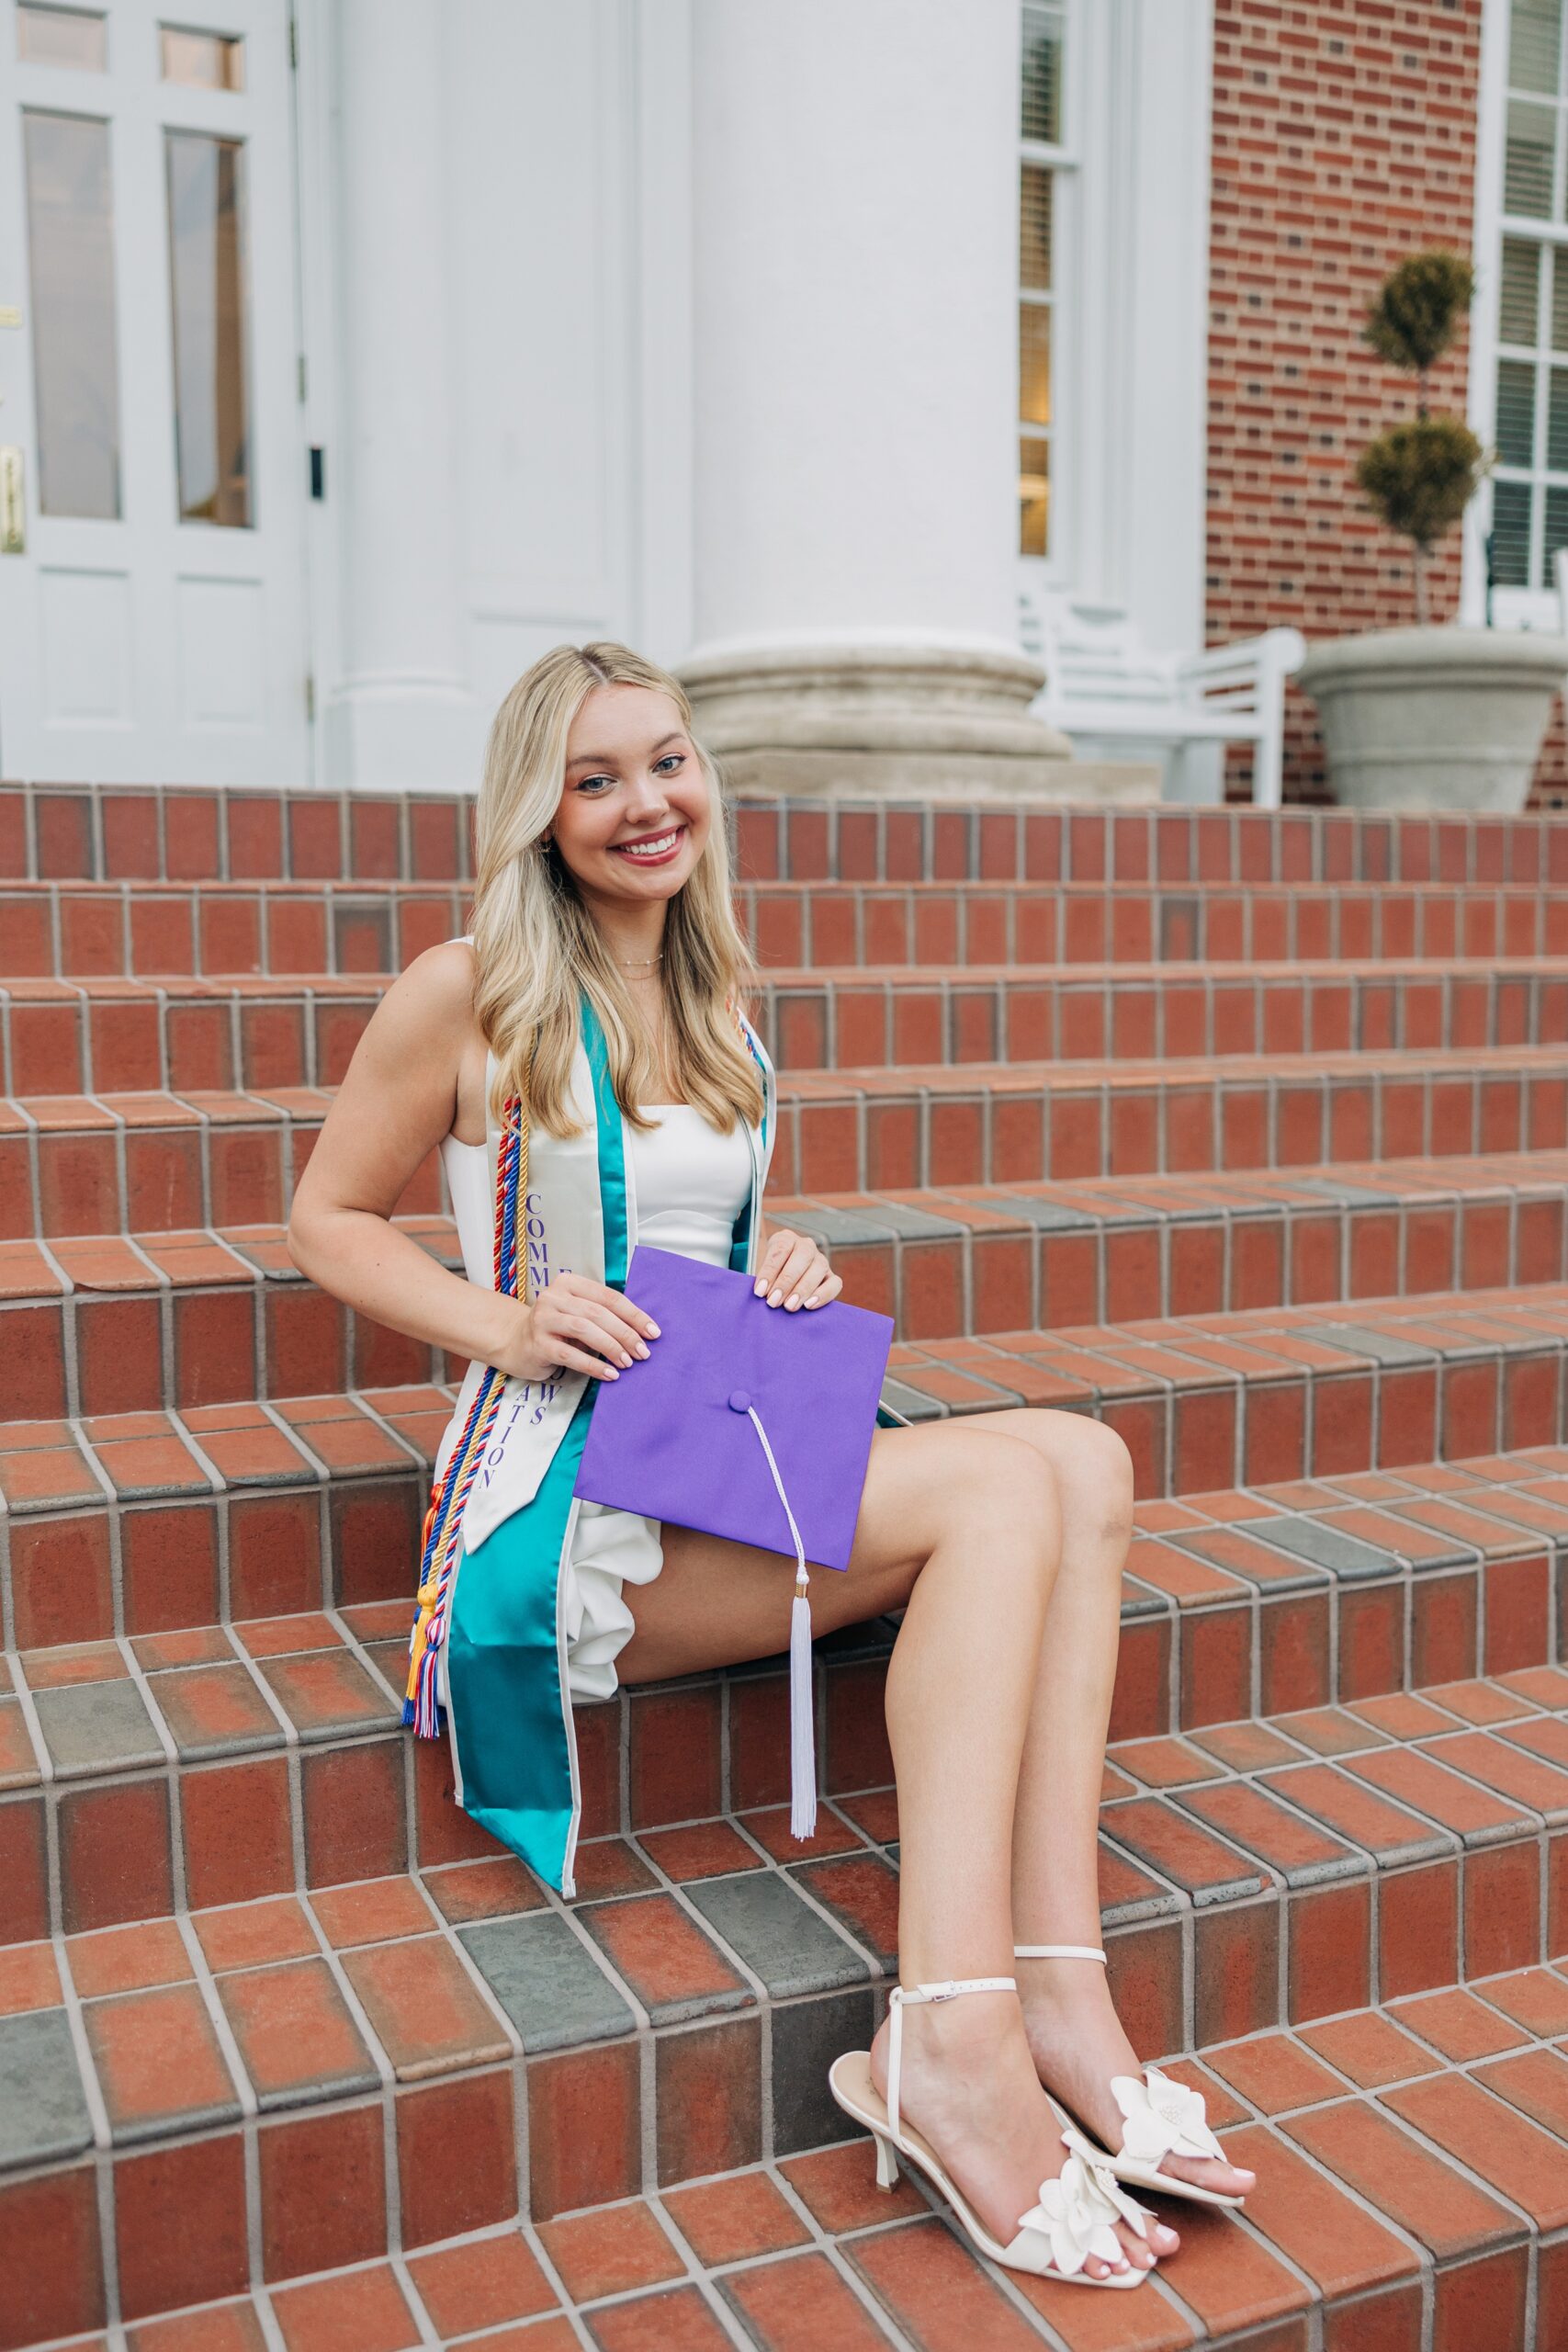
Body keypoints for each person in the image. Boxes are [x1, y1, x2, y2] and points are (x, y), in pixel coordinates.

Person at [289, 641, 1254, 2289]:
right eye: (595, 780)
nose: (646, 804)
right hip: (565, 1499)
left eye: (667, 762)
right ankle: (950, 2040)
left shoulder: (715, 993)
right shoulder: (473, 986)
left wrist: (771, 1261)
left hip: (701, 1440)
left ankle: (1056, 1985)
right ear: (539, 811)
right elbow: (323, 1220)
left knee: (1086, 1461)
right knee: (1004, 1490)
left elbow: (681, 1236)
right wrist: (507, 1320)